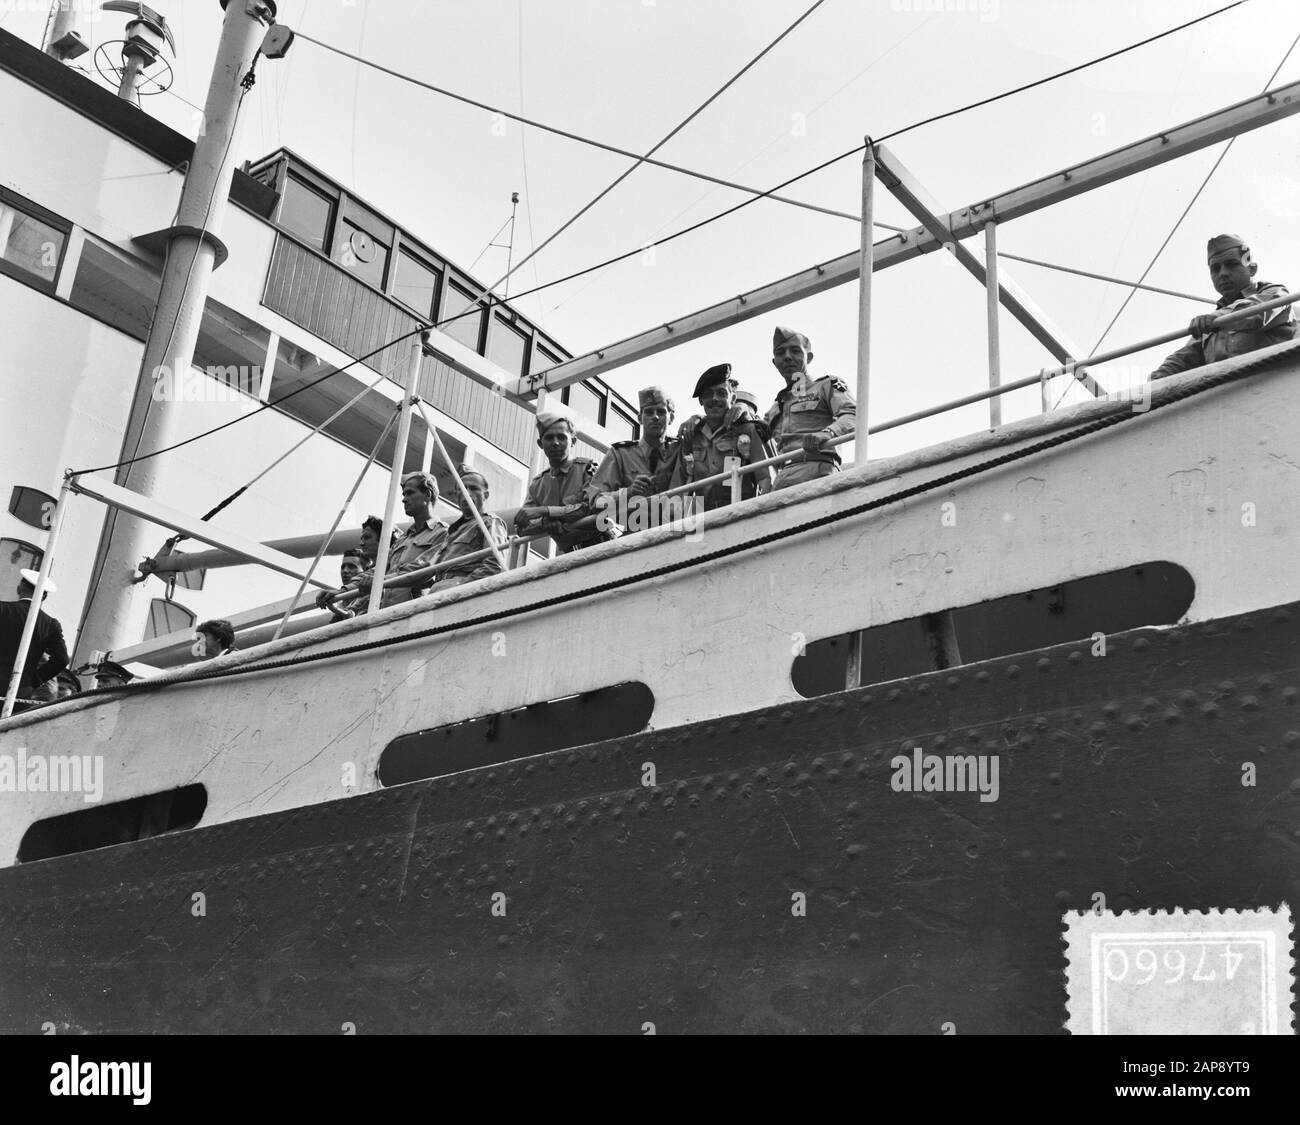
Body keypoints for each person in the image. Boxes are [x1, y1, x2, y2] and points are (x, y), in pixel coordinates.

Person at [1151, 235, 1294, 379]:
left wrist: (1217, 318)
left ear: (1252, 269)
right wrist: (1155, 381)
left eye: (1232, 264)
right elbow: (1183, 359)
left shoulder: (1275, 294)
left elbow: (1257, 311)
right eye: (1215, 269)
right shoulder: (1210, 325)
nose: (1223, 273)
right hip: (1229, 389)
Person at [653, 363, 776, 510]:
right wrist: (675, 519)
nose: (715, 399)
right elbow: (679, 486)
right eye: (708, 394)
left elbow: (766, 478)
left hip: (740, 512)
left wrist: (763, 513)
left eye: (722, 393)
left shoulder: (748, 429)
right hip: (704, 516)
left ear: (733, 398)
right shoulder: (692, 436)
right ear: (701, 400)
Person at [765, 326, 856, 490]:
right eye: (780, 353)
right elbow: (754, 435)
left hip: (818, 470)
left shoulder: (825, 386)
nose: (787, 357)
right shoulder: (775, 409)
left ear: (809, 357)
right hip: (782, 479)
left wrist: (827, 433)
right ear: (774, 362)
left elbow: (853, 415)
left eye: (795, 351)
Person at [586, 386, 679, 529]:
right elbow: (595, 501)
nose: (655, 417)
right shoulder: (620, 454)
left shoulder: (679, 449)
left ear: (671, 418)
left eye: (661, 412)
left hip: (673, 532)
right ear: (640, 418)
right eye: (649, 412)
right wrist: (629, 492)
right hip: (633, 534)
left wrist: (696, 419)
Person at [515, 410, 607, 553]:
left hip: (604, 546)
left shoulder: (587, 468)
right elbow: (521, 527)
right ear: (540, 444)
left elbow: (591, 507)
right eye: (549, 438)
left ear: (573, 441)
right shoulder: (537, 485)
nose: (555, 443)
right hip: (570, 556)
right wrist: (544, 523)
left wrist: (546, 511)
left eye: (561, 437)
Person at [351, 473, 448, 608]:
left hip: (416, 612)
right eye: (404, 494)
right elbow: (379, 569)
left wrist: (378, 581)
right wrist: (343, 590)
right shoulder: (403, 539)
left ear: (427, 494)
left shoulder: (442, 533)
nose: (404, 499)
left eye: (410, 493)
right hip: (387, 612)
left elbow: (421, 569)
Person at [429, 469, 509, 589]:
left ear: (486, 495)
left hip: (460, 588)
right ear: (456, 496)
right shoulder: (452, 531)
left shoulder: (490, 522)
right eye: (461, 489)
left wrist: (463, 586)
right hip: (437, 588)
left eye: (474, 488)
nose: (467, 493)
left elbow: (495, 565)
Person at [0, 569, 68, 705]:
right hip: (20, 690)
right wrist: (33, 680)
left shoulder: (2, 609)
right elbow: (62, 659)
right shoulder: (51, 625)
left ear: (19, 588)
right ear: (44, 597)